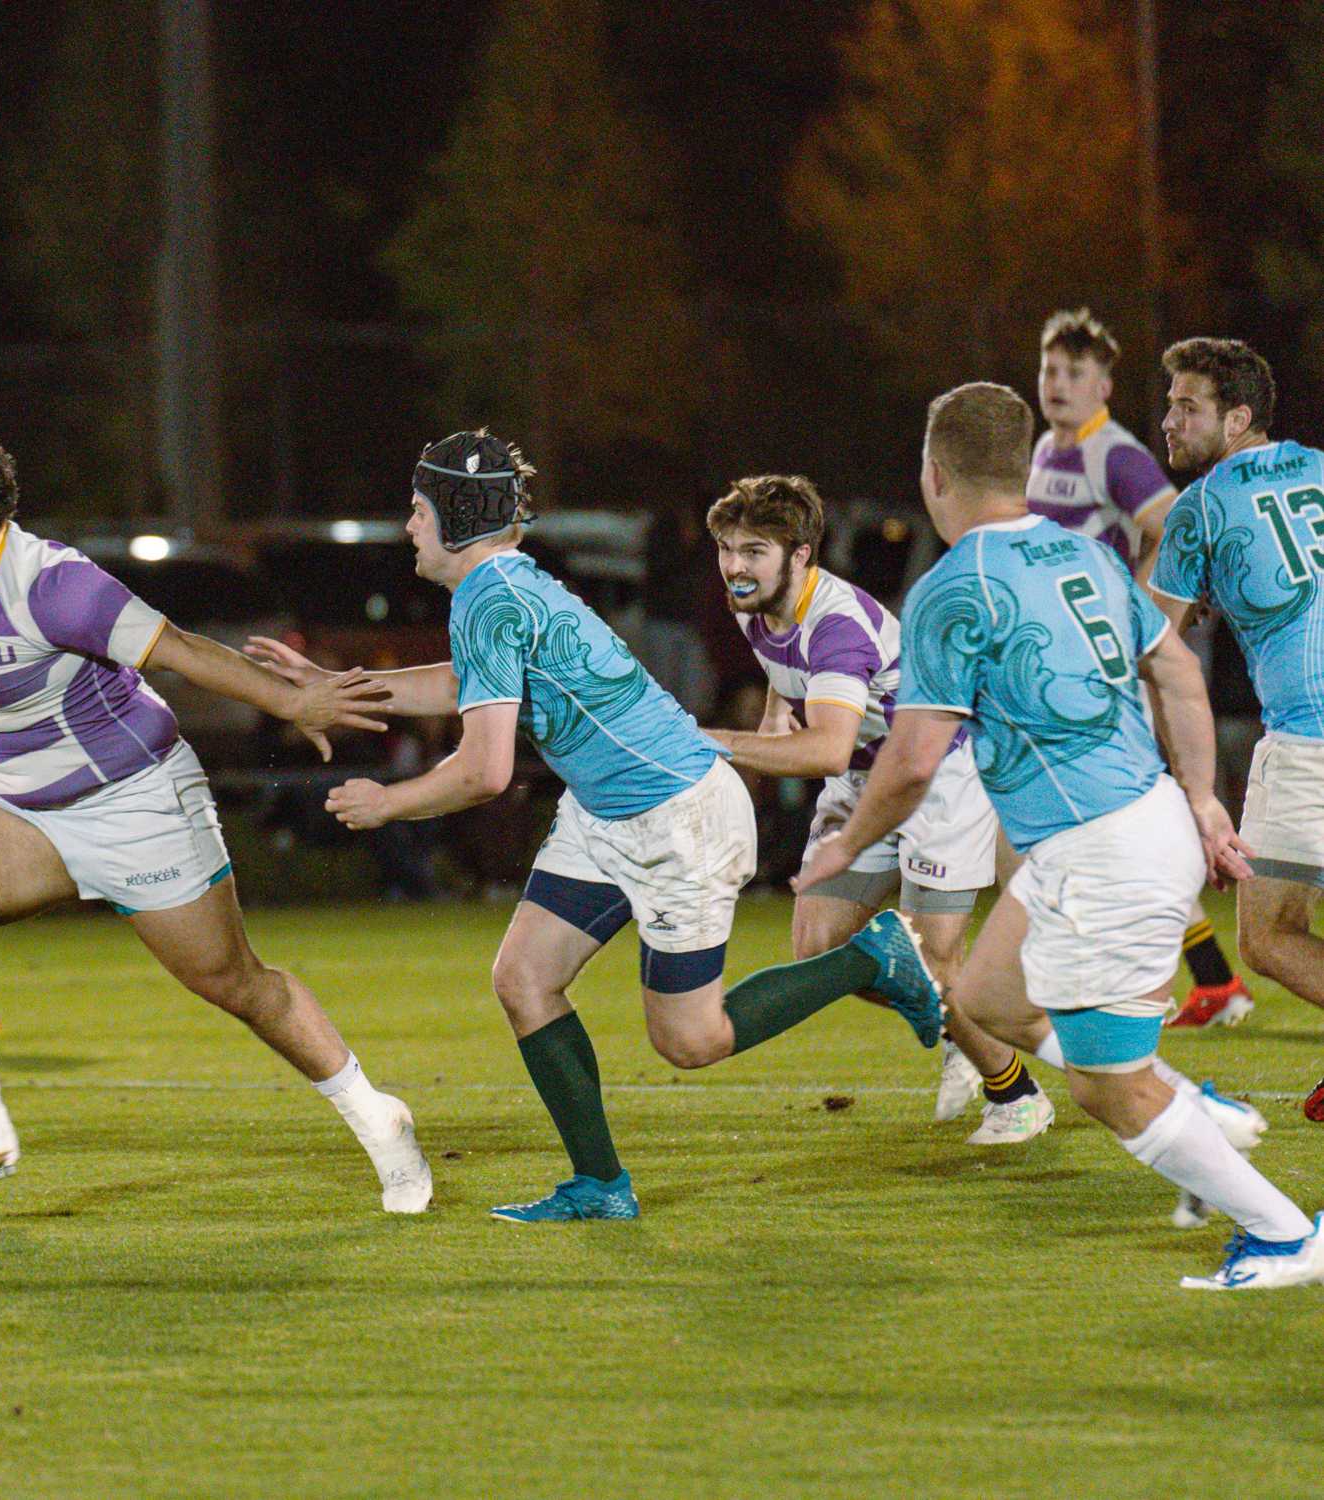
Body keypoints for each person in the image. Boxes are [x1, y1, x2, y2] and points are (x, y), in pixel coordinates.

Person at [248, 430, 943, 1224]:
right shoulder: (501, 588)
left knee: (692, 1041)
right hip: (607, 810)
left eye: (417, 510)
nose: (409, 526)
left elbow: (484, 773)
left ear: (458, 518)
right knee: (523, 980)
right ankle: (600, 1186)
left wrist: (390, 803)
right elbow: (464, 682)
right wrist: (346, 687)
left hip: (678, 818)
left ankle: (871, 958)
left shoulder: (491, 596)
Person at [797, 382, 1317, 1290]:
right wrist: (1200, 796)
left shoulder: (952, 590)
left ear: (933, 475)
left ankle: (1283, 1233)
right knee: (989, 997)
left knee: (1105, 1086)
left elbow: (915, 758)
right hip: (1125, 823)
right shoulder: (1089, 558)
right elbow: (1181, 676)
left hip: (1101, 850)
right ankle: (1197, 1107)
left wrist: (845, 846)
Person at [0, 411, 432, 1213]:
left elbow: (185, 651)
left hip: (135, 799)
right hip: (24, 808)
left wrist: (293, 702)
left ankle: (376, 1115)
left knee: (233, 982)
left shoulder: (56, 584)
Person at [702, 475, 1043, 1143]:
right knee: (821, 948)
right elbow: (784, 675)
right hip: (865, 782)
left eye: (753, 551)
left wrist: (716, 741)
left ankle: (1016, 1093)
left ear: (801, 555)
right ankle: (956, 1023)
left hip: (935, 779)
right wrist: (774, 717)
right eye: (726, 548)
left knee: (932, 961)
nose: (735, 566)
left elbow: (827, 748)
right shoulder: (755, 603)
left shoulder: (837, 626)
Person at [1027, 308, 1251, 1027]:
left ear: (1104, 384)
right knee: (1118, 813)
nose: (1058, 384)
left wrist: (1137, 616)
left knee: (1123, 812)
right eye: (1050, 370)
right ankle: (1212, 980)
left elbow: (1172, 521)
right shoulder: (1045, 450)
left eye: (1075, 373)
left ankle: (1150, 979)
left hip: (1112, 667)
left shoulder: (1113, 454)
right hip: (1070, 665)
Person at [1148, 337, 1324, 1123]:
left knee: (1269, 936)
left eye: (1189, 407)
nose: (1169, 421)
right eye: (1170, 404)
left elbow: (1153, 646)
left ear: (1240, 416)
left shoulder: (1203, 507)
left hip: (1307, 741)